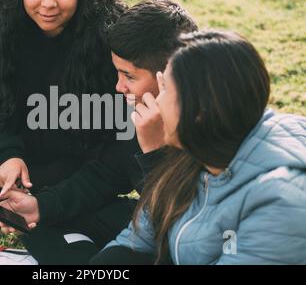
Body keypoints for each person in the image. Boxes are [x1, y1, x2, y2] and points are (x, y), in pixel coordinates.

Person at [0, 0, 198, 265]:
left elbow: (189, 226)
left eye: (130, 77)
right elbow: (106, 174)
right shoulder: (136, 110)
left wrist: (155, 151)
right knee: (40, 219)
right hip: (149, 222)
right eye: (118, 74)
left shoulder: (209, 121)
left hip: (183, 242)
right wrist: (41, 207)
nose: (119, 87)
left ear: (170, 74)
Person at [90, 30, 306, 265]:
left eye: (166, 91)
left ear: (199, 112)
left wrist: (155, 154)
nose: (157, 101)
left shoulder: (278, 203)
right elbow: (138, 239)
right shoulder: (199, 151)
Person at [0, 0, 126, 208]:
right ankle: (24, 190)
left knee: (125, 161)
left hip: (83, 138)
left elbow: (119, 117)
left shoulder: (110, 28)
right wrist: (6, 156)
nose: (48, 3)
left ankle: (56, 197)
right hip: (29, 129)